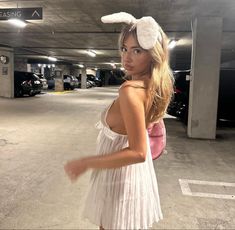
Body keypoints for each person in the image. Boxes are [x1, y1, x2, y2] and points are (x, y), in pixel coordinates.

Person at [64, 12, 174, 230]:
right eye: (124, 48)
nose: (127, 58)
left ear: (153, 54)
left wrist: (86, 162)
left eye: (137, 50)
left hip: (121, 180)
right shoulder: (153, 86)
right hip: (127, 177)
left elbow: (139, 152)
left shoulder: (130, 91)